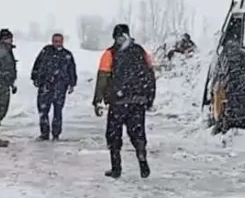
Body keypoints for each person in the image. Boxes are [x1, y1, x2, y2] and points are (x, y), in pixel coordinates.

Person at [92, 24, 156, 179]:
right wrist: (150, 97)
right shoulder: (140, 51)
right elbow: (150, 74)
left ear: (114, 37)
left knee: (114, 134)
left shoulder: (110, 54)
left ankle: (116, 168)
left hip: (118, 101)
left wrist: (97, 100)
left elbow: (103, 77)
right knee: (138, 133)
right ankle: (142, 158)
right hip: (137, 101)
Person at [31, 33, 77, 141]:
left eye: (59, 41)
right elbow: (37, 65)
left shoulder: (67, 55)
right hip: (45, 86)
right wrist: (35, 78)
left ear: (62, 42)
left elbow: (71, 70)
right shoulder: (45, 52)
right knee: (43, 110)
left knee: (58, 111)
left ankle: (56, 134)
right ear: (52, 41)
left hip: (60, 87)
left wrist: (72, 83)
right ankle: (44, 133)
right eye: (55, 41)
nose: (56, 43)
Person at [0, 29, 17, 147]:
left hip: (3, 85)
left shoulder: (6, 50)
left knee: (0, 111)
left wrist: (12, 83)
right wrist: (0, 76)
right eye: (8, 38)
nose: (10, 41)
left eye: (11, 38)